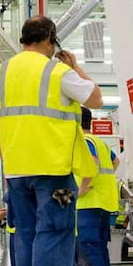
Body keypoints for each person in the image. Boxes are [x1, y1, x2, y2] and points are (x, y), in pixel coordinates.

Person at [0, 15, 103, 265]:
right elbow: (96, 100)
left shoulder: (0, 74)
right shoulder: (58, 72)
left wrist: (8, 165)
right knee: (55, 231)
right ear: (50, 38)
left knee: (25, 233)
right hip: (54, 171)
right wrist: (75, 68)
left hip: (17, 172)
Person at [76, 107, 119, 266]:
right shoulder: (100, 142)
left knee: (89, 247)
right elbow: (116, 161)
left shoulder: (84, 141)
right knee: (99, 246)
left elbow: (92, 161)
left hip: (89, 203)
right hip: (103, 201)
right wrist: (100, 180)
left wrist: (82, 188)